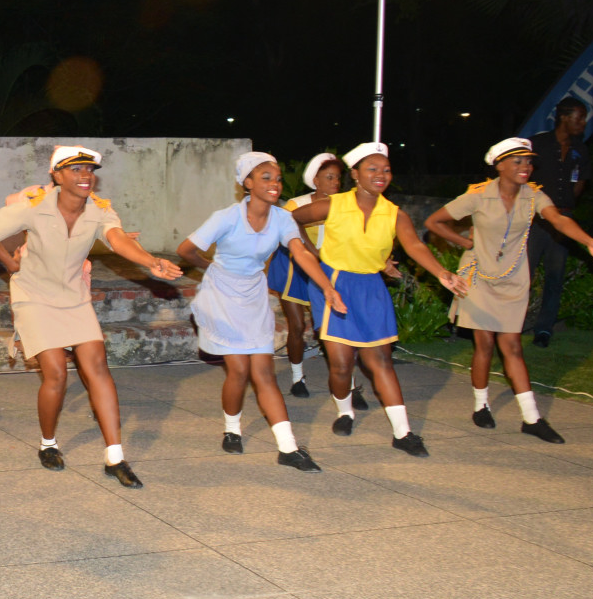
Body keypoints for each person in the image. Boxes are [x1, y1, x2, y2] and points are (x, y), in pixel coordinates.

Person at [0, 146, 183, 485]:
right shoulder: (35, 206)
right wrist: (9, 262)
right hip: (34, 296)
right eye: (75, 169)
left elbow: (117, 239)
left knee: (97, 366)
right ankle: (48, 444)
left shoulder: (100, 210)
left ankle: (115, 457)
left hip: (73, 295)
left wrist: (150, 261)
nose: (85, 175)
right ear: (56, 175)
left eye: (89, 169)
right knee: (56, 373)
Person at [423, 137, 593, 443]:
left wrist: (590, 241)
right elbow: (435, 221)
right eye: (518, 161)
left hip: (513, 277)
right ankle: (481, 405)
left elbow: (558, 220)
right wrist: (464, 242)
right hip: (479, 276)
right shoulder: (478, 195)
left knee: (512, 346)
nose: (526, 167)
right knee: (485, 344)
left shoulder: (534, 196)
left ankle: (531, 418)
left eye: (529, 161)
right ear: (499, 165)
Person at [292, 141, 469, 456]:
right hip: (333, 284)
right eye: (372, 169)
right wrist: (309, 252)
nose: (381, 175)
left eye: (386, 170)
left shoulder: (394, 214)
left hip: (371, 288)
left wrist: (443, 273)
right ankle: (345, 412)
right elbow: (291, 220)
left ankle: (403, 433)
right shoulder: (333, 205)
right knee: (342, 364)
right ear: (355, 174)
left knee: (380, 361)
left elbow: (415, 246)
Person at [178, 153, 346, 470]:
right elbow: (185, 250)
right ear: (248, 183)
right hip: (221, 294)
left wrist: (326, 286)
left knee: (264, 372)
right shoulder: (226, 217)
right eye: (266, 177)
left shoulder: (282, 218)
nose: (275, 184)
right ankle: (232, 429)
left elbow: (301, 253)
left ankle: (288, 448)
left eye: (278, 178)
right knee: (239, 370)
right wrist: (208, 265)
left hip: (253, 294)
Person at [268, 152, 370, 407]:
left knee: (336, 330)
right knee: (297, 325)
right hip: (295, 267)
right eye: (329, 177)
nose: (335, 182)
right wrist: (312, 252)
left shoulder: (346, 203)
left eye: (338, 178)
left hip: (329, 270)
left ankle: (350, 385)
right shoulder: (297, 204)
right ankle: (297, 378)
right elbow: (285, 230)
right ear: (315, 180)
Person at [526, 96, 593, 346]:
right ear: (564, 117)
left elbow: (581, 181)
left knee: (555, 277)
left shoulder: (580, 149)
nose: (583, 123)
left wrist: (566, 205)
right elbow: (520, 175)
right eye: (580, 117)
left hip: (564, 219)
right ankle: (511, 325)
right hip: (536, 220)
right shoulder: (539, 144)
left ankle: (544, 330)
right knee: (524, 275)